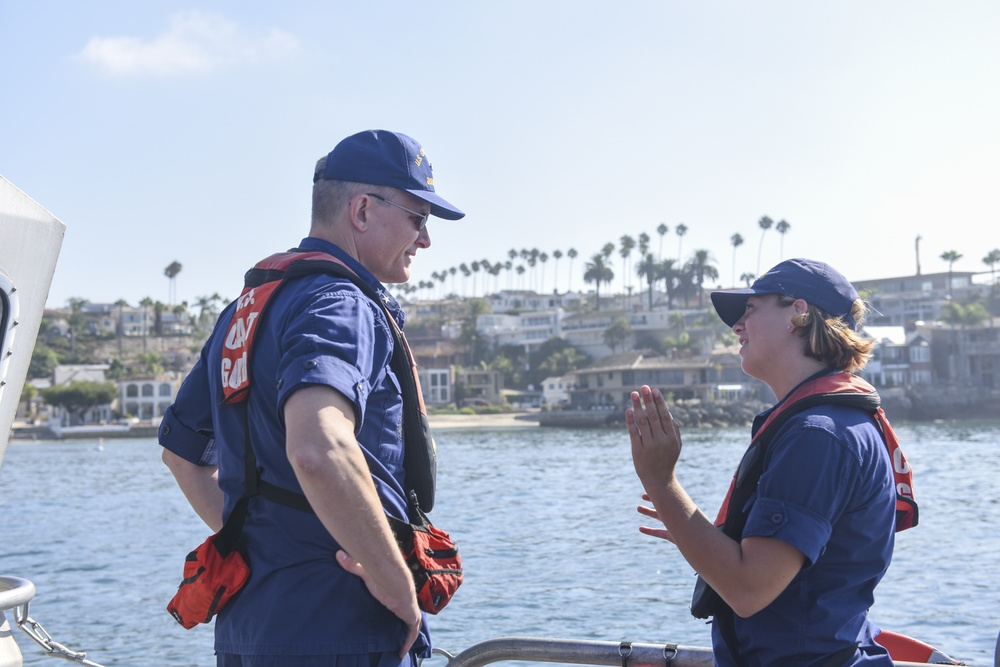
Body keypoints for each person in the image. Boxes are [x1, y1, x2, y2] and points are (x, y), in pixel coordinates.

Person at [159, 129, 464, 667]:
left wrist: (275, 545)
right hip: (342, 629)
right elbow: (318, 447)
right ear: (363, 211)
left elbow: (183, 455)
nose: (426, 239)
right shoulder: (341, 305)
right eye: (418, 218)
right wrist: (396, 588)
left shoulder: (245, 312)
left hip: (251, 632)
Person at [626, 258, 900, 666]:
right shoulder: (829, 425)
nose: (737, 327)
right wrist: (694, 531)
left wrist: (662, 482)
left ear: (797, 312)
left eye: (750, 310)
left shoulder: (817, 436)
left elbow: (749, 590)